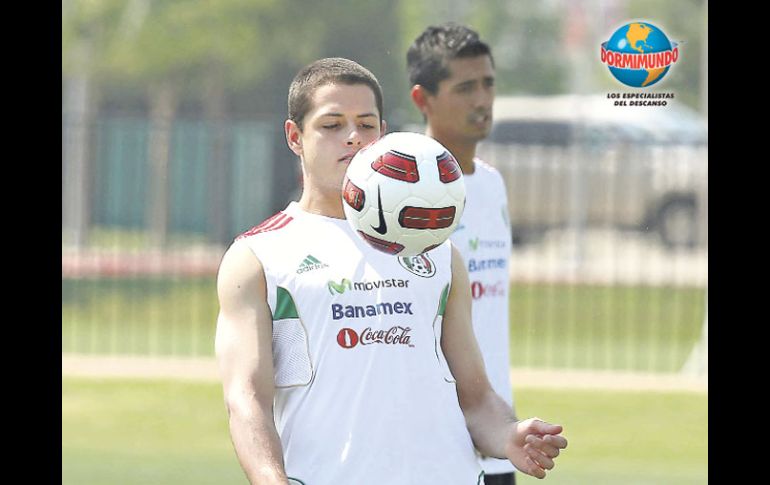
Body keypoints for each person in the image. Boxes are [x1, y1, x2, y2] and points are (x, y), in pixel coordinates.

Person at [214, 57, 567, 485]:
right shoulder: (259, 256)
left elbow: (475, 399)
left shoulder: (435, 249)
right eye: (331, 125)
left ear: (383, 133)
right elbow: (246, 398)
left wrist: (509, 436)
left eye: (366, 124)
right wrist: (271, 480)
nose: (353, 138)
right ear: (295, 137)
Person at [407, 23, 518, 485]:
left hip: (494, 436)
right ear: (423, 99)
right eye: (465, 87)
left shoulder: (491, 184)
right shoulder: (402, 190)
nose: (482, 100)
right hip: (430, 442)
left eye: (488, 83)